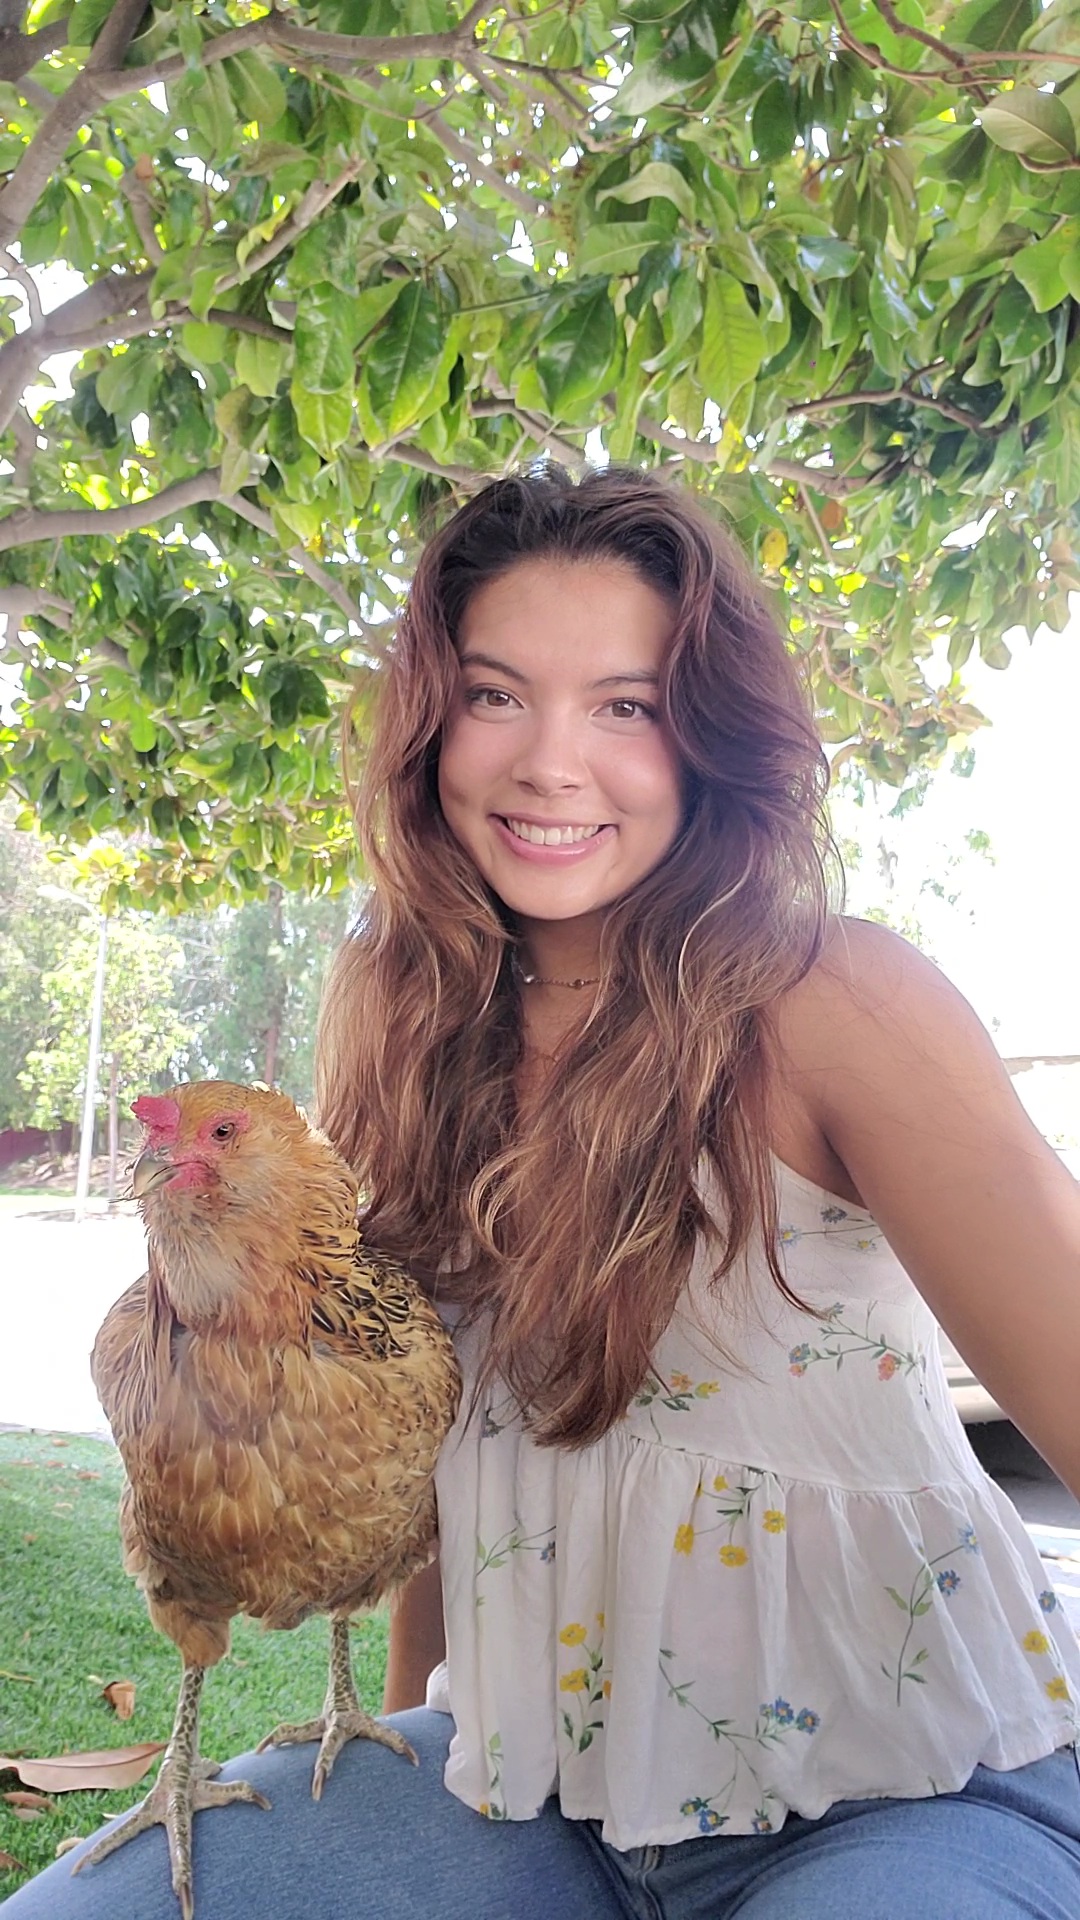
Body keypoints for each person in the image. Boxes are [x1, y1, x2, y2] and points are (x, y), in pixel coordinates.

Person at [10, 465, 1080, 1920]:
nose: (550, 765)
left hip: (916, 1789)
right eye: (497, 695)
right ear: (431, 724)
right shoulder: (401, 1021)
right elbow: (429, 1426)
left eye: (627, 705)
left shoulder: (838, 998)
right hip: (542, 1801)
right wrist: (415, 1732)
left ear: (708, 737)